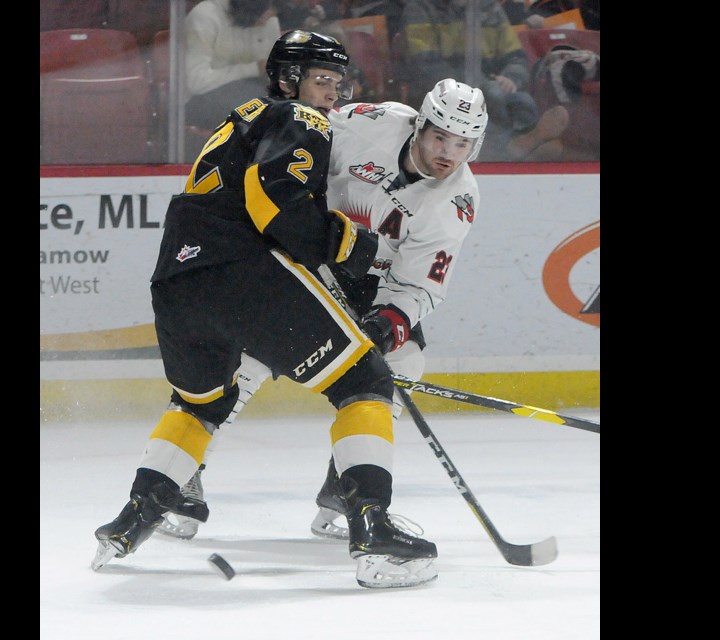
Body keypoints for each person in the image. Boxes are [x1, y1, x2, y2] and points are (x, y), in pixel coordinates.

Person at [93, 30, 440, 589]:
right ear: (287, 79)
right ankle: (374, 531)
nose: (331, 93)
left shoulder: (242, 116)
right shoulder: (301, 120)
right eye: (320, 80)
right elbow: (273, 200)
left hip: (177, 280)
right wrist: (350, 247)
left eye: (336, 82)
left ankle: (135, 516)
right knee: (366, 382)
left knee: (203, 401)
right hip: (241, 273)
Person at [157, 77, 490, 542]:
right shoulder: (371, 124)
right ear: (419, 125)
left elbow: (419, 285)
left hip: (363, 284)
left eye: (463, 143)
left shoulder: (457, 201)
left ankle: (348, 494)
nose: (448, 153)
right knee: (246, 359)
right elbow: (297, 143)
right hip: (300, 256)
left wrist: (386, 323)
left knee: (402, 360)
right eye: (440, 136)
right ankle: (182, 478)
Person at [399, 0, 568, 161]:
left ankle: (523, 146)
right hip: (442, 96)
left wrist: (510, 78)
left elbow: (516, 57)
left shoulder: (489, 8)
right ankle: (515, 151)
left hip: (491, 87)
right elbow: (424, 66)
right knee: (491, 99)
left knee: (522, 101)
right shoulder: (420, 8)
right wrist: (480, 85)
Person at [183, 0, 281, 136]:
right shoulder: (205, 16)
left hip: (251, 95)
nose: (267, 17)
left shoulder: (267, 17)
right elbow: (196, 82)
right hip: (202, 100)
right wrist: (255, 68)